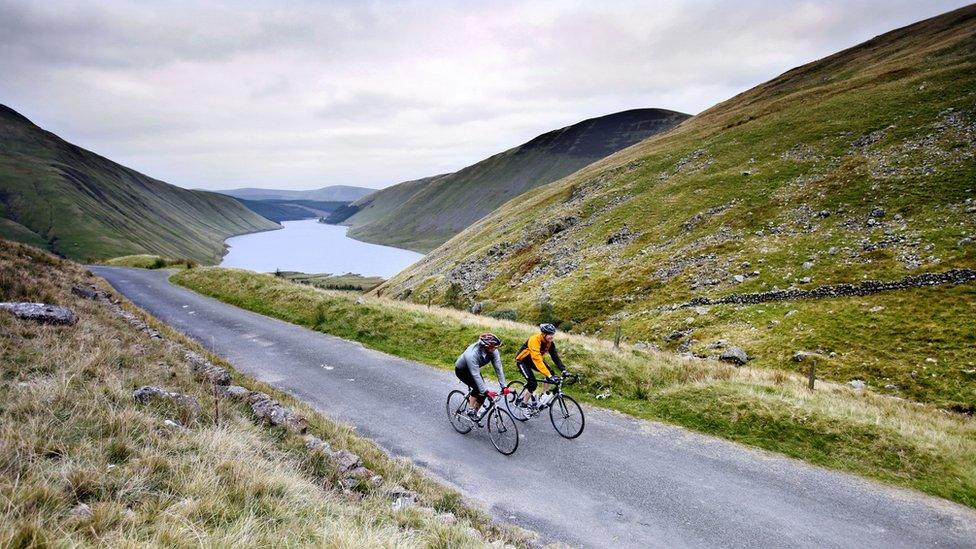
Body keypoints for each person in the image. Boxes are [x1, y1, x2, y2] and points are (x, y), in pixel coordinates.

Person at [455, 332, 510, 419]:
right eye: (494, 347)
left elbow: (498, 368)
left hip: (473, 369)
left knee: (483, 393)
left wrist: (504, 386)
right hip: (462, 370)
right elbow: (475, 374)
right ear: (486, 346)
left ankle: (475, 413)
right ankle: (470, 409)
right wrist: (485, 391)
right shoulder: (472, 354)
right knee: (479, 389)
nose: (496, 349)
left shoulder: (493, 351)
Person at [515, 323, 569, 409]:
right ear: (543, 334)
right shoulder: (534, 340)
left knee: (550, 372)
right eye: (549, 334)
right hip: (523, 361)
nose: (551, 336)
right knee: (533, 384)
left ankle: (543, 395)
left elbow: (555, 357)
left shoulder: (549, 343)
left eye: (552, 334)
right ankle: (524, 405)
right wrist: (549, 375)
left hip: (534, 361)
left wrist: (563, 369)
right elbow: (536, 358)